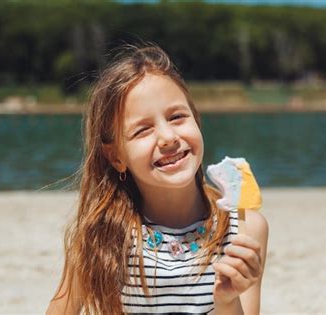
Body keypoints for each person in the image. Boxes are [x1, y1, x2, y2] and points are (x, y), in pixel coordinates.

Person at [46, 43, 268, 315]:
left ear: (196, 120)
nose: (168, 138)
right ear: (115, 156)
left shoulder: (243, 229)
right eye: (142, 130)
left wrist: (228, 301)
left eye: (177, 117)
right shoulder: (99, 233)